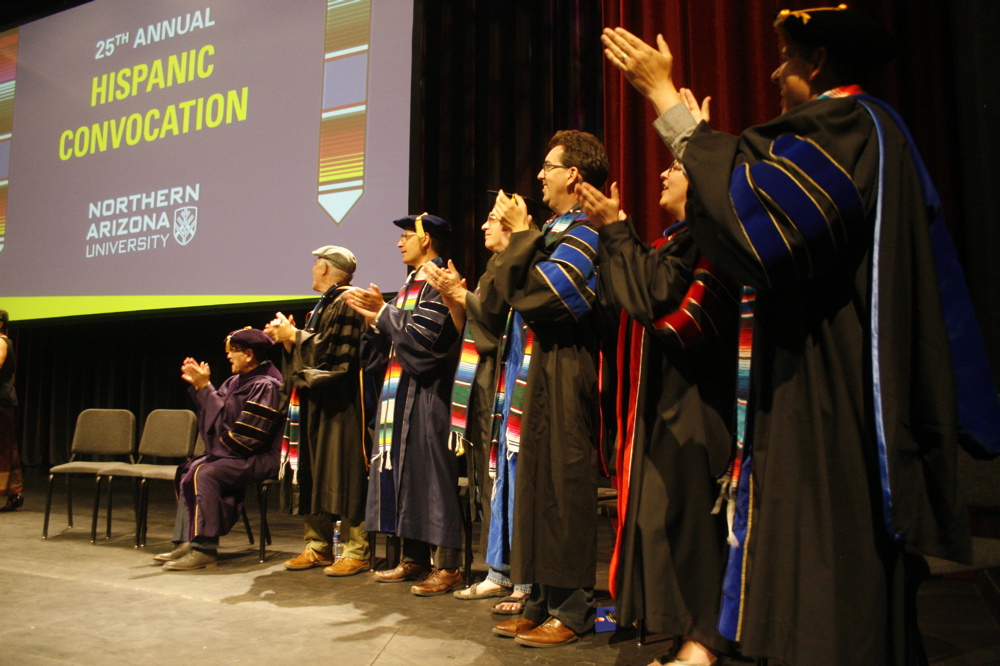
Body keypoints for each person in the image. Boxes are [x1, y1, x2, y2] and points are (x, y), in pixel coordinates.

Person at [602, 7, 1000, 664]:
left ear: (816, 62)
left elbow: (754, 221)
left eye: (786, 57)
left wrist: (667, 102)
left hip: (831, 380)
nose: (774, 69)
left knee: (828, 564)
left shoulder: (846, 125)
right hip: (822, 368)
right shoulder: (864, 132)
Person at [579, 135, 739, 665]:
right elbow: (640, 291)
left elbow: (662, 306)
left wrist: (615, 231)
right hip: (662, 400)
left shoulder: (710, 242)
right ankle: (679, 634)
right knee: (661, 519)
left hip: (697, 403)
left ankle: (705, 644)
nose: (665, 175)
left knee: (692, 524)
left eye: (677, 167)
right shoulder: (675, 242)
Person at [485, 130, 606, 648]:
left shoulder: (585, 232)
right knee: (534, 485)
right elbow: (499, 299)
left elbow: (540, 296)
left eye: (548, 167)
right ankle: (539, 600)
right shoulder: (552, 231)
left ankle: (572, 607)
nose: (539, 176)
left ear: (573, 175)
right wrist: (525, 237)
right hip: (536, 372)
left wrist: (525, 235)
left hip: (567, 368)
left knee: (563, 486)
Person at [344, 213, 464, 596]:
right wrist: (373, 322)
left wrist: (385, 313)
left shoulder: (440, 280)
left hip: (430, 397)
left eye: (406, 236)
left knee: (433, 479)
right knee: (407, 475)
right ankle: (413, 557)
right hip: (402, 396)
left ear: (427, 240)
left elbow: (428, 343)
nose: (399, 243)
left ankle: (447, 566)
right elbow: (387, 347)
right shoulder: (410, 286)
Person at [424, 211, 532, 613]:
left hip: (506, 378)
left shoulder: (517, 266)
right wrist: (456, 298)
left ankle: (522, 577)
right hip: (484, 381)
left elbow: (491, 323)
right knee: (492, 481)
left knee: (510, 478)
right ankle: (499, 571)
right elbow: (471, 322)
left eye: (491, 220)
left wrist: (460, 294)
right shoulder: (494, 268)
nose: (483, 226)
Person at [265, 245, 371, 577]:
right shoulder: (323, 305)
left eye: (315, 264)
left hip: (342, 403)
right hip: (316, 401)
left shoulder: (349, 300)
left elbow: (333, 355)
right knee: (313, 469)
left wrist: (295, 335)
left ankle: (357, 550)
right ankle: (317, 546)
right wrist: (289, 341)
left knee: (345, 473)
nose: (312, 269)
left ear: (325, 268)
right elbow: (313, 350)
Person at [156, 328, 285, 571]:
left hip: (260, 455)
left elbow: (249, 438)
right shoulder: (234, 382)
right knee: (188, 468)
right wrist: (201, 388)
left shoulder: (267, 385)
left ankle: (205, 548)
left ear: (248, 354)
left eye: (233, 351)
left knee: (205, 472)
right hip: (237, 452)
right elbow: (216, 421)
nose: (228, 356)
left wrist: (206, 388)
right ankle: (189, 539)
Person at [0, 309, 24, 513]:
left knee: (4, 448)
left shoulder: (1, 342)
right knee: (6, 448)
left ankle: (13, 492)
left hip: (2, 402)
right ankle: (14, 493)